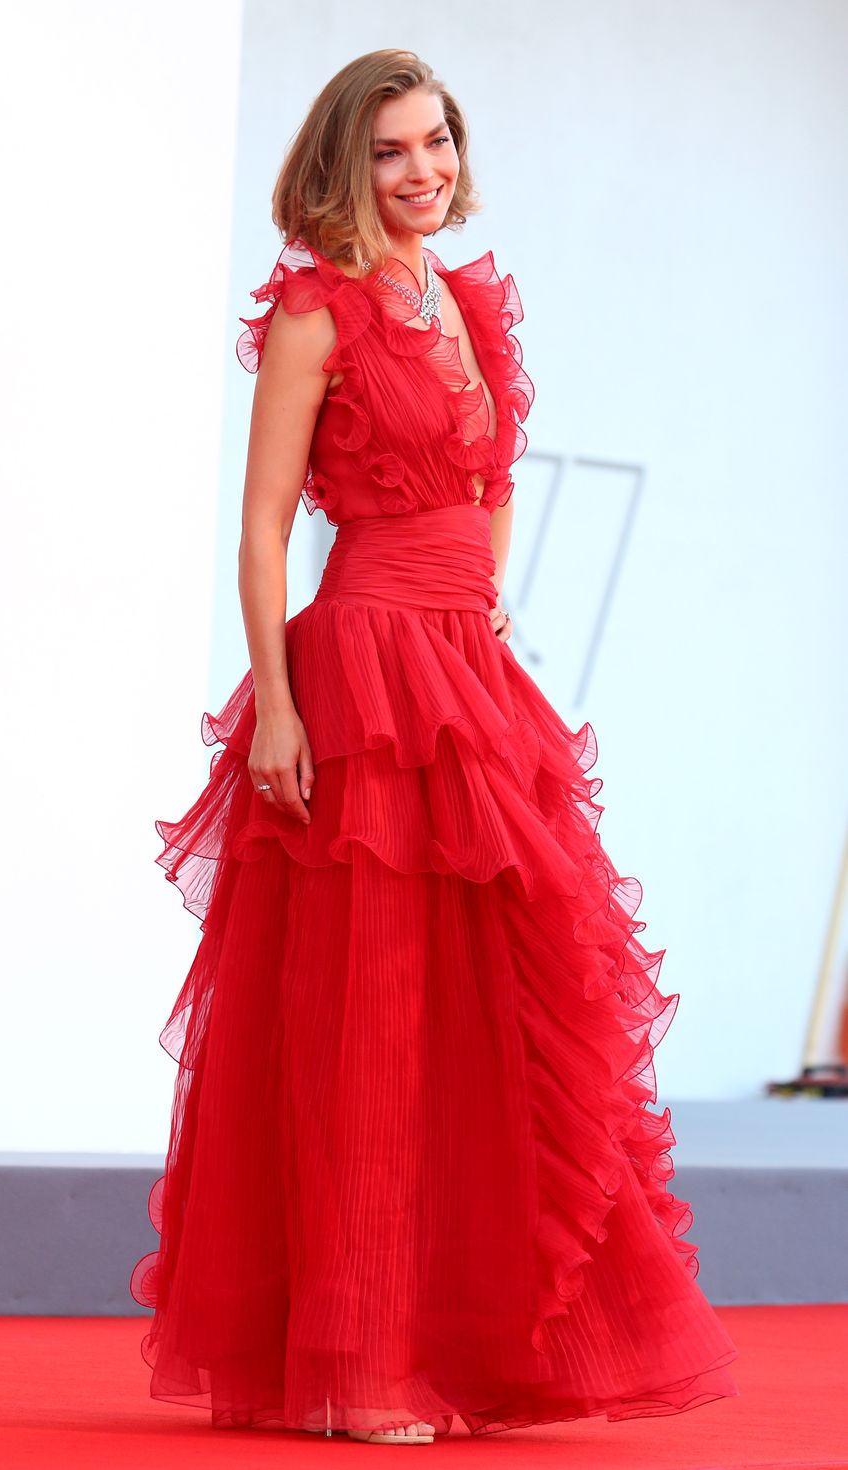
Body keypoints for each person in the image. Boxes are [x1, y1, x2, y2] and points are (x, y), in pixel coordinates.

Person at [130, 48, 740, 1445]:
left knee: (491, 1011)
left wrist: (486, 603)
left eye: (437, 143)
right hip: (363, 678)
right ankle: (356, 1364)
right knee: (373, 1019)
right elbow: (263, 529)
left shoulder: (461, 297)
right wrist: (279, 705)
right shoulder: (317, 310)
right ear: (342, 166)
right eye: (391, 150)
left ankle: (470, 1341)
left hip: (465, 671)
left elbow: (490, 476)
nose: (422, 171)